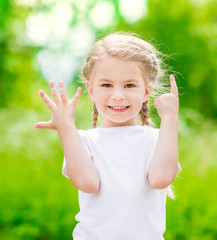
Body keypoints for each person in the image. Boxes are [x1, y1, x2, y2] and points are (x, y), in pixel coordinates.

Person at [34, 32, 181, 240]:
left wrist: (170, 119)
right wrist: (66, 127)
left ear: (147, 91)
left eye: (130, 85)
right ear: (90, 90)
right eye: (106, 85)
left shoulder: (156, 139)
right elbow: (87, 182)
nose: (118, 95)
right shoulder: (84, 141)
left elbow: (160, 179)